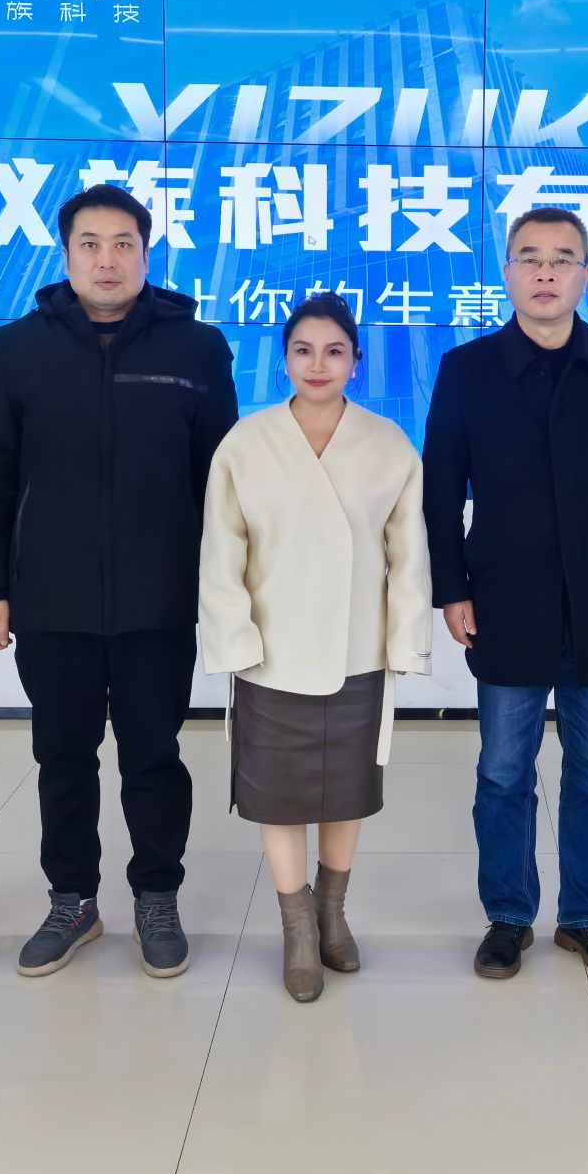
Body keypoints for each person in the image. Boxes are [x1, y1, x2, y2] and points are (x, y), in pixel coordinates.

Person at [0, 183, 237, 979]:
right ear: (66, 254)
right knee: (63, 757)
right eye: (91, 244)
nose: (107, 259)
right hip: (51, 598)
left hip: (161, 599)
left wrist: (223, 593)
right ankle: (72, 899)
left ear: (146, 255)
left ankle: (156, 895)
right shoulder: (12, 351)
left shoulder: (197, 350)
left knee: (154, 755)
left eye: (124, 244)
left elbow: (222, 485)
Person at [423, 206, 588, 982]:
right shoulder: (467, 369)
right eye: (529, 257)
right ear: (506, 273)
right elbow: (441, 489)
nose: (545, 271)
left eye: (562, 258)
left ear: (585, 276)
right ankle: (508, 916)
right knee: (504, 773)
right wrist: (451, 587)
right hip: (505, 600)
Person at [198, 292, 431, 1003]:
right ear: (284, 360)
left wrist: (406, 642)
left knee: (345, 792)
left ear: (356, 360)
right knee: (279, 797)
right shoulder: (247, 443)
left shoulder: (388, 444)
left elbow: (409, 555)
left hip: (358, 649)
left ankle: (332, 914)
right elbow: (221, 553)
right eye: (303, 350)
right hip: (271, 653)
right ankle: (297, 927)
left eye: (334, 351)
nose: (318, 364)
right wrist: (235, 638)